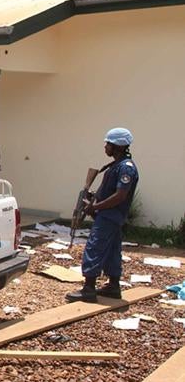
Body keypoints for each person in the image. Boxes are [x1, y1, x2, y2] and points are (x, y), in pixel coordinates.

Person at [66, 128, 139, 303]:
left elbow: (120, 195)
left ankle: (89, 288)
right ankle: (113, 286)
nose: (105, 147)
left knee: (94, 247)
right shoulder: (116, 166)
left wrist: (96, 207)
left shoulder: (125, 168)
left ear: (118, 146)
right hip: (111, 216)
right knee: (113, 250)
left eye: (108, 144)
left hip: (109, 216)